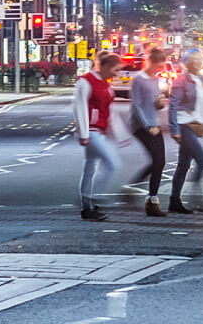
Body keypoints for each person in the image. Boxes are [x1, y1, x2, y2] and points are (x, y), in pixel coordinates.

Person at [167, 47, 203, 214]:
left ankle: (174, 201)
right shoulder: (181, 80)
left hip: (194, 125)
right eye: (195, 59)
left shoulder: (200, 80)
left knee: (183, 165)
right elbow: (173, 106)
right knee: (202, 161)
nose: (198, 61)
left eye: (200, 58)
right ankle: (196, 198)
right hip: (184, 125)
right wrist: (174, 129)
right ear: (188, 61)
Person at [74, 52, 124, 220]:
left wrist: (119, 134)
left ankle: (86, 207)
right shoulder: (85, 81)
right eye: (115, 70)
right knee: (112, 164)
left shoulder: (105, 84)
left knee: (90, 169)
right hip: (91, 132)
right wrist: (83, 133)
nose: (116, 74)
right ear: (104, 66)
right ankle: (93, 196)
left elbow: (110, 111)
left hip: (98, 131)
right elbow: (79, 107)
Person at [129, 47, 172, 216]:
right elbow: (137, 106)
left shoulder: (156, 80)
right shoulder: (138, 79)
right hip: (141, 126)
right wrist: (147, 126)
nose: (159, 70)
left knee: (159, 162)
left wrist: (160, 103)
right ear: (149, 62)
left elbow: (153, 104)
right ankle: (152, 202)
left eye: (161, 68)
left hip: (154, 123)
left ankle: (141, 192)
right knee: (158, 160)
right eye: (157, 67)